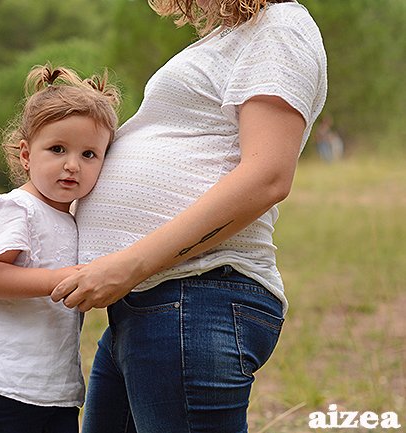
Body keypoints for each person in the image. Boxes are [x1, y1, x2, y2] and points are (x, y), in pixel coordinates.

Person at [50, 1, 327, 432]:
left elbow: (267, 175)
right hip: (150, 301)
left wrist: (128, 263)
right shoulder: (229, 37)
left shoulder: (281, 25)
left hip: (196, 294)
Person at [0, 64, 120, 433]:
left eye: (89, 154)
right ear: (26, 155)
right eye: (57, 149)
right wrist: (56, 279)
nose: (72, 165)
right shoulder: (17, 208)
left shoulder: (70, 218)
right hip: (4, 379)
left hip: (51, 384)